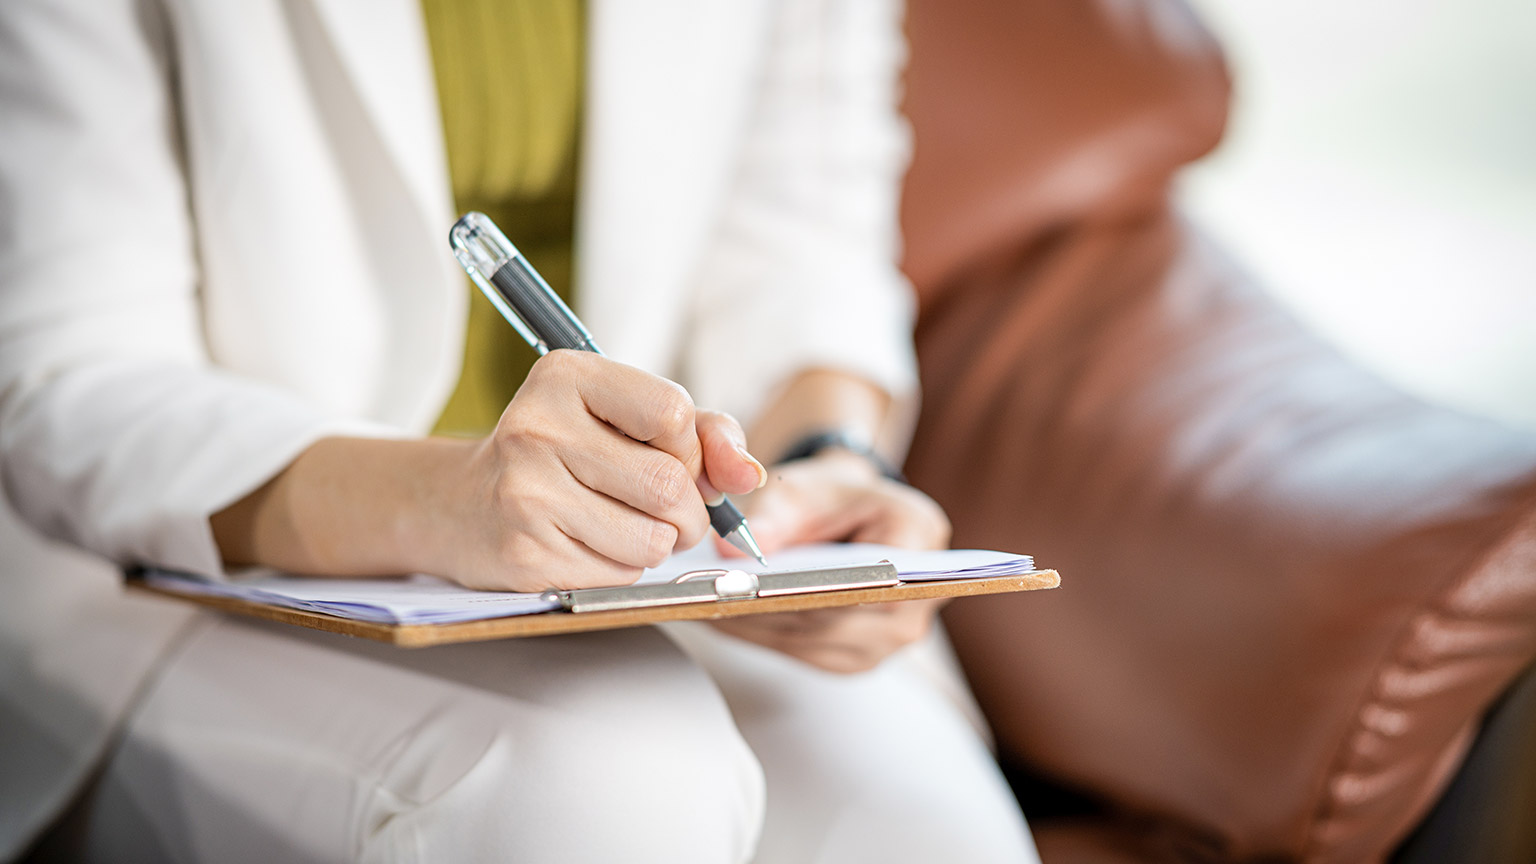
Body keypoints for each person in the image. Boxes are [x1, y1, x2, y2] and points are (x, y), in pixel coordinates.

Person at [0, 1, 1038, 862]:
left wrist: (826, 466)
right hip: (175, 572)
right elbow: (69, 373)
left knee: (925, 827)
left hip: (643, 559)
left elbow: (805, 244)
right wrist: (443, 501)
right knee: (612, 778)